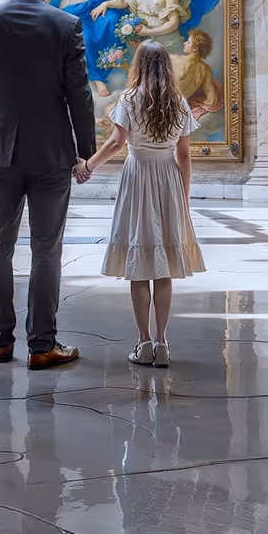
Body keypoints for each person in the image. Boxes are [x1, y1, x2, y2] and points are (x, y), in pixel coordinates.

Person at [0, 0, 96, 369]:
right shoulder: (65, 24)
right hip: (52, 150)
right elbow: (80, 94)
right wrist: (85, 152)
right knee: (46, 249)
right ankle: (42, 346)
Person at [85, 39, 204, 367]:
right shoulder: (179, 102)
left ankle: (144, 342)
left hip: (138, 176)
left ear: (139, 66)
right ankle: (164, 343)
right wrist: (184, 194)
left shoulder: (129, 98)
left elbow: (115, 143)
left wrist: (89, 166)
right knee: (163, 262)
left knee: (140, 265)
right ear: (167, 66)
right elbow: (183, 155)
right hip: (168, 178)